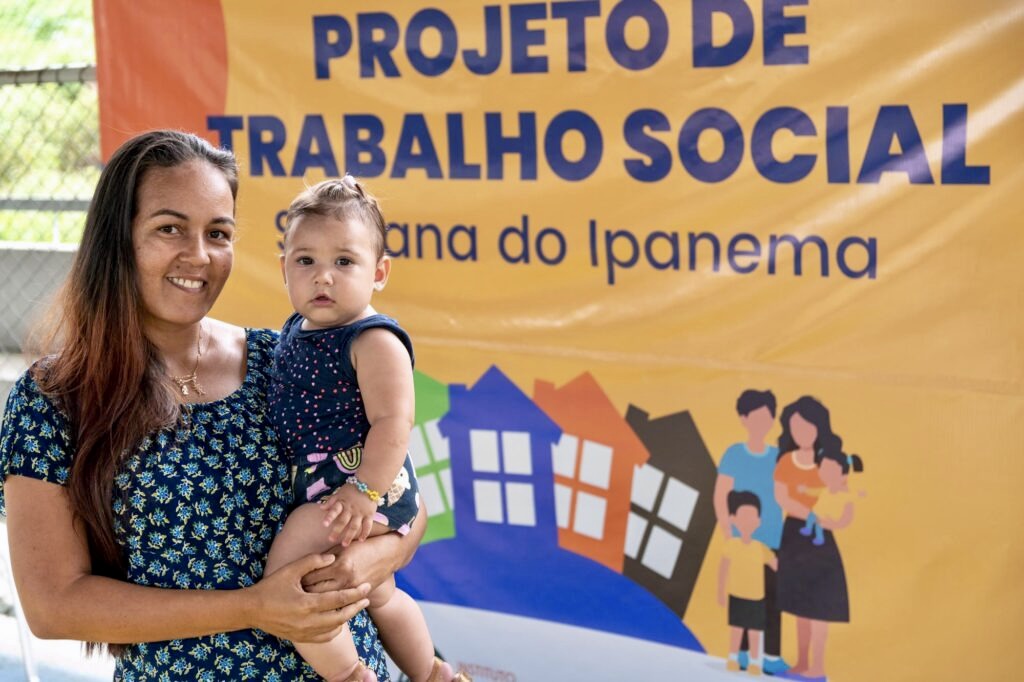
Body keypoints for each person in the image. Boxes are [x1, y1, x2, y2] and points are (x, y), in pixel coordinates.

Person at [0, 130, 425, 680]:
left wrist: (370, 559)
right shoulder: (55, 398)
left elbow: (405, 505)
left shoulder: (285, 359)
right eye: (170, 228)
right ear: (118, 238)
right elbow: (53, 606)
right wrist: (253, 607)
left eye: (218, 233)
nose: (198, 255)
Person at [266, 177, 466, 682]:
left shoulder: (372, 340)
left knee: (289, 569)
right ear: (283, 267)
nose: (323, 277)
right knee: (382, 593)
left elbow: (394, 424)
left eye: (344, 262)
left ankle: (349, 673)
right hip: (334, 484)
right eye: (305, 260)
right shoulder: (296, 330)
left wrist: (365, 491)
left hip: (363, 486)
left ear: (378, 273)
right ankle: (431, 672)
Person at [773, 396, 852, 680]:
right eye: (795, 428)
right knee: (799, 604)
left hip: (820, 540)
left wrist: (832, 519)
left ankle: (818, 666)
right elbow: (782, 498)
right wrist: (810, 514)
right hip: (795, 536)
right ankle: (802, 662)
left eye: (806, 427)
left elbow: (843, 496)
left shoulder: (829, 462)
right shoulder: (786, 460)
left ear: (819, 427)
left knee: (820, 605)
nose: (801, 433)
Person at [713, 389, 789, 675]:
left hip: (773, 540)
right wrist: (727, 531)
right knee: (744, 596)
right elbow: (721, 495)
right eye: (755, 417)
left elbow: (784, 496)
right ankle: (742, 653)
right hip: (742, 542)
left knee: (773, 598)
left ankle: (771, 656)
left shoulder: (778, 457)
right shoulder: (734, 454)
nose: (762, 423)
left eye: (767, 417)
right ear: (743, 419)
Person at [717, 491, 778, 676]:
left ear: (759, 521)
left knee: (754, 631)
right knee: (737, 629)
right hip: (736, 594)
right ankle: (732, 658)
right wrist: (720, 592)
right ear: (733, 519)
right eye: (743, 516)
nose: (748, 521)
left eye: (752, 517)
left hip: (756, 598)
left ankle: (754, 662)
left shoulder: (760, 548)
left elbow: (776, 565)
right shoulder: (731, 545)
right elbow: (723, 570)